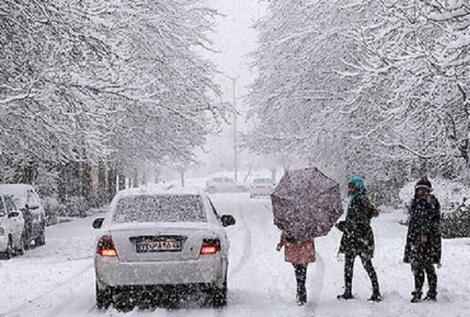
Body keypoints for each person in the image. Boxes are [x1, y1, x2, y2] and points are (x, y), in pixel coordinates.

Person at [336, 177, 382, 302]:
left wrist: (344, 226)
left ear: (358, 187)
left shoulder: (359, 200)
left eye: (352, 186)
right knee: (352, 265)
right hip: (357, 237)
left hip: (359, 238)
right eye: (349, 186)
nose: (349, 189)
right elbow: (356, 220)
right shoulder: (357, 199)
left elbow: (359, 221)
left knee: (364, 265)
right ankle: (350, 291)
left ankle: (375, 292)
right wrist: (345, 224)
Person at [404, 178, 441, 303]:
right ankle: (418, 291)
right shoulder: (416, 202)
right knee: (417, 267)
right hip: (415, 239)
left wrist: (425, 233)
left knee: (427, 266)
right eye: (420, 189)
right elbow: (415, 220)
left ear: (428, 191)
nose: (422, 192)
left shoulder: (432, 202)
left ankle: (431, 293)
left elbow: (432, 220)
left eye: (425, 189)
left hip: (428, 240)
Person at [277, 231, 316, 306]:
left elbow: (285, 234)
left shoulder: (290, 224)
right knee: (301, 273)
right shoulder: (308, 224)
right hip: (304, 251)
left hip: (297, 251)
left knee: (299, 273)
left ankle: (300, 293)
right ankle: (301, 293)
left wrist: (282, 243)